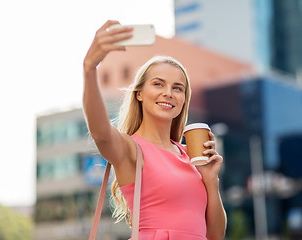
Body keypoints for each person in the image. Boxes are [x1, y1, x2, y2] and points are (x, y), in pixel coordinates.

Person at [83, 20, 227, 240]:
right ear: (139, 93)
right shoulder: (131, 149)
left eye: (177, 88)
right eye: (158, 84)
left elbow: (215, 235)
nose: (168, 93)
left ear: (183, 100)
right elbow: (101, 133)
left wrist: (211, 181)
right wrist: (90, 69)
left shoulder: (191, 156)